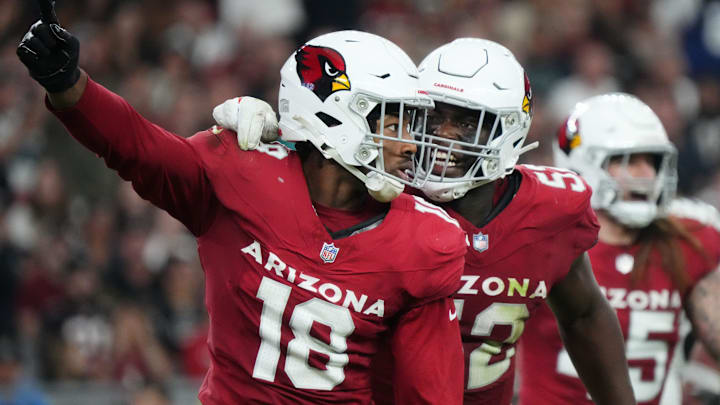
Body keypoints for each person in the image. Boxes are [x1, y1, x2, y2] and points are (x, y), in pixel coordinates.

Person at [16, 6, 469, 405]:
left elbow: (429, 394)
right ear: (336, 115)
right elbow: (139, 148)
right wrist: (69, 85)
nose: (410, 145)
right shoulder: (241, 172)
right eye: (394, 123)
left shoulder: (426, 240)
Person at [216, 38, 637, 405]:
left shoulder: (551, 211)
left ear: (510, 129)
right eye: (433, 118)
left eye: (467, 122)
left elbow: (583, 314)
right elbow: (317, 164)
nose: (443, 137)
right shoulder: (377, 188)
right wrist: (283, 132)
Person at [517, 93, 720, 405]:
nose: (645, 175)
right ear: (584, 163)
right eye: (628, 161)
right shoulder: (543, 240)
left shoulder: (689, 239)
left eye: (651, 162)